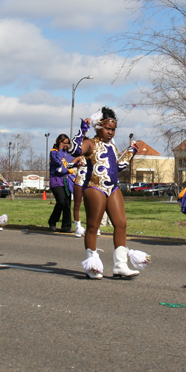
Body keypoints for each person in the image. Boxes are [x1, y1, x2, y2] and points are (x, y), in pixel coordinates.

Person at [69, 107, 149, 279]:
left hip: (113, 188)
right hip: (94, 187)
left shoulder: (112, 146)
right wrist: (83, 129)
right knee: (93, 226)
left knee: (121, 223)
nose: (111, 132)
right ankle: (92, 265)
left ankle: (120, 265)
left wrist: (131, 151)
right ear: (98, 127)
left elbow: (118, 167)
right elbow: (73, 150)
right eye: (107, 129)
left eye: (113, 129)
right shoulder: (90, 143)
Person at [48, 134, 74, 232]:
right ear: (59, 142)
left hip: (66, 181)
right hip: (56, 181)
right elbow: (58, 162)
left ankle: (66, 226)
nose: (66, 145)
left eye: (67, 143)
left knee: (67, 203)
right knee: (61, 201)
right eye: (64, 143)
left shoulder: (68, 154)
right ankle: (52, 221)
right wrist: (60, 149)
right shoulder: (54, 152)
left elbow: (72, 163)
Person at [72, 156, 87, 237]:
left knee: (90, 206)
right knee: (77, 205)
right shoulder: (80, 157)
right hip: (79, 182)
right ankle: (78, 227)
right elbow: (68, 165)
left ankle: (93, 227)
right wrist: (77, 164)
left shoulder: (93, 157)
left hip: (90, 183)